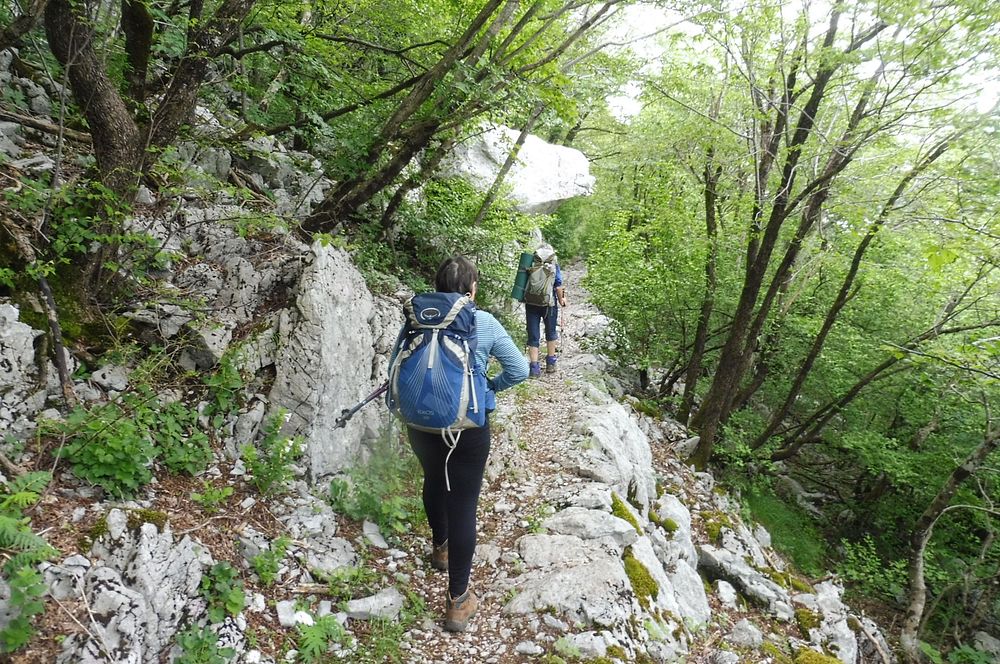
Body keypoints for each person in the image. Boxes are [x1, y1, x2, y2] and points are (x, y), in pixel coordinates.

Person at [401, 255, 528, 632]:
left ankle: (440, 547)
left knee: (432, 480)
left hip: (420, 422)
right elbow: (519, 370)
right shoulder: (483, 321)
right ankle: (457, 601)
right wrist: (490, 386)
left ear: (437, 287)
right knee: (464, 503)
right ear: (472, 290)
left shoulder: (415, 317)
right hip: (469, 428)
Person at [525, 245, 567, 377]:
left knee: (533, 334)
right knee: (551, 331)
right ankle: (550, 363)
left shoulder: (532, 261)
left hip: (531, 302)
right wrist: (562, 300)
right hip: (549, 303)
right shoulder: (553, 263)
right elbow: (558, 285)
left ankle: (534, 367)